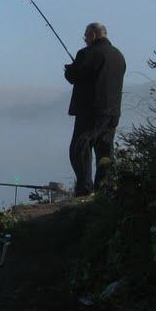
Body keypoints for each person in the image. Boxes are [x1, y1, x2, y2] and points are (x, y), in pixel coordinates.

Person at [64, 22, 126, 196]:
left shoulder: (87, 53)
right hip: (113, 112)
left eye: (85, 35)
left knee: (79, 148)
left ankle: (84, 190)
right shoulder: (119, 56)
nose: (84, 39)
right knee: (105, 151)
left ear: (92, 35)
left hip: (90, 111)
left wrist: (68, 71)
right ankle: (104, 190)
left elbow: (76, 75)